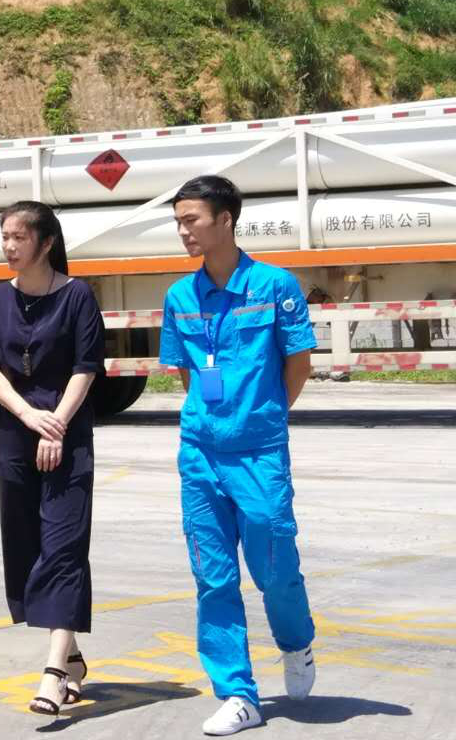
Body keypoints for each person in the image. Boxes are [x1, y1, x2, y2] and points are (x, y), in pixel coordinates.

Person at [160, 175, 318, 736]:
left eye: (192, 220)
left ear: (225, 220)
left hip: (260, 454)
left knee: (275, 567)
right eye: (178, 222)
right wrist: (214, 420)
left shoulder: (275, 286)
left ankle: (296, 642)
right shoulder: (180, 297)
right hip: (200, 453)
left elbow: (298, 364)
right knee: (214, 577)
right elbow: (186, 373)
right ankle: (237, 693)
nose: (184, 231)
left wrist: (262, 417)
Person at [0, 200, 106, 716]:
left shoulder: (77, 296)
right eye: (4, 237)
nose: (8, 246)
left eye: (19, 237)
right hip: (15, 434)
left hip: (67, 437)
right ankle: (71, 654)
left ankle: (53, 674)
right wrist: (28, 415)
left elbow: (85, 367)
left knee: (64, 548)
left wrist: (56, 424)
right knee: (26, 547)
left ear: (46, 243)